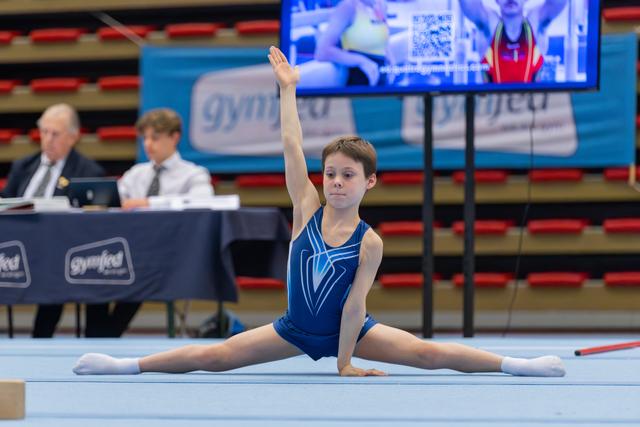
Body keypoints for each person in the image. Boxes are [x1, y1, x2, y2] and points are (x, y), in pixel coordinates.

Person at [72, 46, 565, 378]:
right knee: (217, 355)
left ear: (369, 182)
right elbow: (292, 145)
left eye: (348, 175)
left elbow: (353, 308)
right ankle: (125, 365)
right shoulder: (306, 206)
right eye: (330, 173)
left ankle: (517, 365)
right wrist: (288, 90)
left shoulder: (369, 242)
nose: (335, 182)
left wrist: (344, 363)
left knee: (426, 351)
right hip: (294, 328)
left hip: (351, 332)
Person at [85, 108, 215, 337]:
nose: (148, 144)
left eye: (155, 137)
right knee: (94, 266)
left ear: (174, 137)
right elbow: (116, 198)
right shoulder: (136, 173)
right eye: (144, 138)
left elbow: (203, 201)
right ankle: (99, 336)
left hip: (169, 255)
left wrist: (148, 203)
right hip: (129, 249)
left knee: (137, 270)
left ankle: (105, 336)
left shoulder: (193, 174)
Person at [0, 103, 106, 338]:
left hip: (59, 249)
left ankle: (41, 337)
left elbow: (92, 222)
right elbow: (5, 202)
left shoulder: (88, 171)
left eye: (55, 134)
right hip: (16, 246)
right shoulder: (23, 166)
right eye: (44, 132)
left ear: (73, 137)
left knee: (59, 269)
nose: (47, 139)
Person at [459, 0, 567, 83]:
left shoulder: (535, 23)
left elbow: (557, 3)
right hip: (493, 110)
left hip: (532, 109)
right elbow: (469, 5)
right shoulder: (489, 24)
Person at [314, 0, 391, 86]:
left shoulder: (380, 5)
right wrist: (362, 61)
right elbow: (322, 51)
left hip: (381, 79)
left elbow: (382, 38)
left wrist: (390, 59)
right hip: (360, 80)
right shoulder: (348, 7)